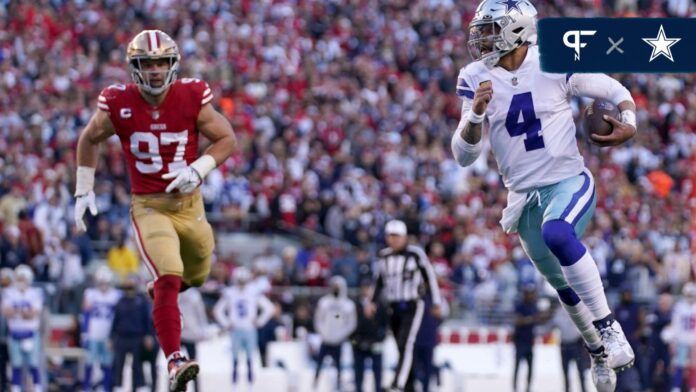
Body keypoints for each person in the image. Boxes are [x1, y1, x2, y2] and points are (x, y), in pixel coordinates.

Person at [451, 1, 637, 390]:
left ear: (516, 31)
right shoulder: (475, 76)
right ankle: (597, 351)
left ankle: (609, 327)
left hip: (568, 181)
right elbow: (463, 156)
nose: (481, 38)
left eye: (490, 29)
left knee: (558, 234)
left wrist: (629, 120)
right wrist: (475, 115)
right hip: (522, 198)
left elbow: (611, 87)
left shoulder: (551, 59)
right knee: (563, 287)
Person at [74, 29, 237, 392]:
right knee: (170, 272)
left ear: (173, 63)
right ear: (135, 67)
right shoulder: (118, 101)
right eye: (147, 63)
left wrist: (198, 168)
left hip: (190, 203)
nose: (155, 70)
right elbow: (89, 137)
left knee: (196, 275)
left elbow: (227, 138)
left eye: (162, 61)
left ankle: (163, 292)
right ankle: (175, 359)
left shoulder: (192, 95)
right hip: (149, 206)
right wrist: (83, 189)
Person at [367, 220, 442, 392]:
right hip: (392, 306)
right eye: (390, 236)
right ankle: (410, 384)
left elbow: (429, 277)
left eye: (396, 236)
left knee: (406, 343)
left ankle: (397, 384)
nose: (392, 240)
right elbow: (378, 282)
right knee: (400, 346)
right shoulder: (384, 256)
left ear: (404, 237)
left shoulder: (415, 254)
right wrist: (371, 301)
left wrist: (436, 302)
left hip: (412, 305)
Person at [213, 267, 274, 386]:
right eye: (239, 280)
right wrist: (227, 323)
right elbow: (218, 310)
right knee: (235, 360)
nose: (241, 283)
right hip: (236, 330)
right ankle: (234, 386)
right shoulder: (230, 292)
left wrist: (259, 321)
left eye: (243, 280)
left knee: (250, 359)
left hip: (249, 329)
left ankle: (250, 385)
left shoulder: (253, 291)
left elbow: (269, 308)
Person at [1, 265, 43, 392]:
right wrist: (24, 312)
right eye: (19, 278)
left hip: (30, 333)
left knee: (34, 364)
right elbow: (5, 311)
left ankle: (37, 388)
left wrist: (17, 312)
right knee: (16, 365)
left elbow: (34, 313)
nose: (21, 281)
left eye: (23, 279)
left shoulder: (35, 293)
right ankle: (16, 388)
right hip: (15, 333)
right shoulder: (9, 293)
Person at [110, 276, 154, 392]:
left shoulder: (141, 301)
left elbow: (147, 319)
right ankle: (118, 386)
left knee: (137, 365)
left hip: (137, 337)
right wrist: (111, 337)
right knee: (119, 364)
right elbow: (115, 320)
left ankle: (138, 387)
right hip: (122, 337)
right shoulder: (120, 301)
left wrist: (148, 335)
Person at [313, 275, 357, 390]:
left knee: (338, 366)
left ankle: (338, 387)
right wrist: (324, 333)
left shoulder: (348, 305)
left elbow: (351, 324)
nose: (336, 289)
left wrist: (340, 335)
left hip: (338, 341)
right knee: (319, 365)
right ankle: (314, 386)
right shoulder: (324, 302)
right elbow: (318, 319)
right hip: (325, 340)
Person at [82, 266, 121, 392]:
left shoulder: (116, 295)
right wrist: (85, 333)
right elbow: (86, 314)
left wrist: (115, 336)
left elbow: (119, 317)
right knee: (89, 362)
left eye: (105, 283)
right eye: (101, 283)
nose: (103, 285)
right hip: (93, 332)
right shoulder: (90, 293)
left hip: (107, 335)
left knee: (107, 363)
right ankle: (86, 387)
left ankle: (106, 388)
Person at [351, 281, 387, 392]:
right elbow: (350, 324)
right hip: (359, 344)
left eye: (369, 288)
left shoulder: (380, 305)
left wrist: (380, 338)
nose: (366, 290)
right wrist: (355, 339)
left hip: (375, 343)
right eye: (364, 287)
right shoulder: (355, 305)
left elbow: (385, 323)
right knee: (358, 372)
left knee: (377, 372)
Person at [550, 304, 590, 392]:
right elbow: (553, 324)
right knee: (566, 373)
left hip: (577, 344)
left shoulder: (578, 307)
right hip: (564, 345)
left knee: (581, 373)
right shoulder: (559, 310)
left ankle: (584, 390)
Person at [512, 286, 544, 392]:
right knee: (517, 367)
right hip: (520, 342)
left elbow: (539, 319)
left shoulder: (533, 306)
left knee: (530, 368)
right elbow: (517, 321)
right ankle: (515, 387)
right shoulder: (520, 306)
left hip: (530, 342)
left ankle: (528, 388)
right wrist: (531, 319)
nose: (531, 295)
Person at [179, 287, 212, 392]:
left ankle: (196, 389)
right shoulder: (174, 293)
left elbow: (200, 314)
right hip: (177, 334)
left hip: (191, 334)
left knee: (193, 365)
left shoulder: (194, 295)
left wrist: (203, 330)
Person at [414, 296, 448, 392]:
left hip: (428, 340)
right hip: (416, 340)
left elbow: (442, 315)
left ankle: (427, 387)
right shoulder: (416, 297)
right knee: (415, 369)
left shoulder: (437, 298)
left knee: (427, 368)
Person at [667, 283, 696, 392]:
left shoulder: (684, 306)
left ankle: (693, 387)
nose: (690, 297)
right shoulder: (679, 306)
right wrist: (674, 340)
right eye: (689, 294)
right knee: (679, 365)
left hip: (693, 341)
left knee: (693, 366)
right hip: (682, 340)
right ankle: (676, 387)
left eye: (692, 294)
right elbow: (675, 324)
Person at [0, 268, 15, 392]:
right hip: (1, 337)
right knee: (2, 364)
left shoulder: (16, 295)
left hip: (14, 336)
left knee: (16, 364)